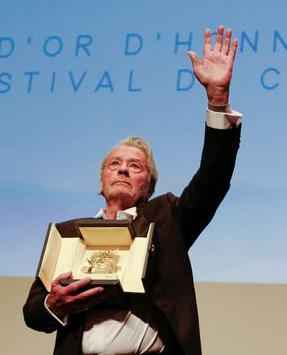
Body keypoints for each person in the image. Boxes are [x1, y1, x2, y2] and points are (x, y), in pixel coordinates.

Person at [23, 26, 242, 355]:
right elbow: (33, 313)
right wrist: (54, 303)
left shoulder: (166, 220)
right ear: (101, 183)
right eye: (114, 164)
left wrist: (218, 101)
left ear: (149, 186)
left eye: (135, 166)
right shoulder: (68, 235)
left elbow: (213, 178)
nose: (123, 168)